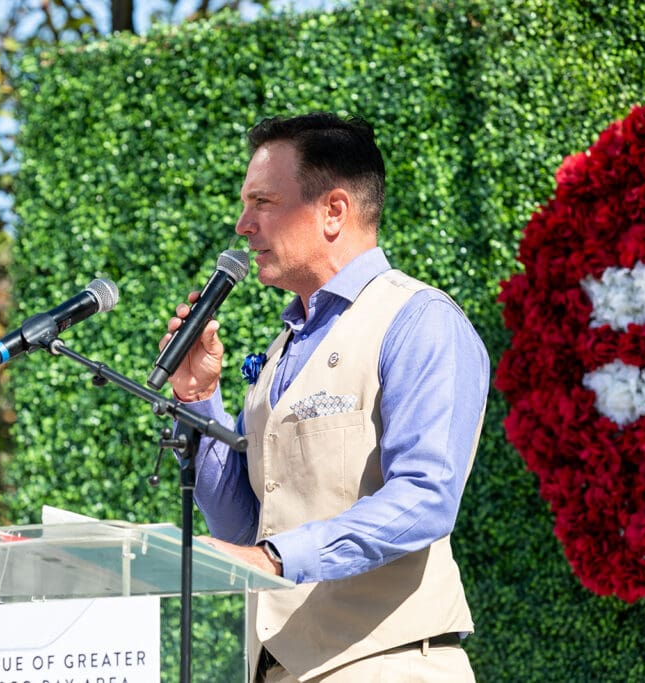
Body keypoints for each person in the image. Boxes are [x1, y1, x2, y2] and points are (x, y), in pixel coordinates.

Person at [158, 112, 489, 682]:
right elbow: (246, 529)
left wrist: (275, 559)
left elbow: (426, 496)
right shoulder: (284, 346)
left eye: (262, 202)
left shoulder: (419, 320)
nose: (242, 225)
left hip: (387, 666)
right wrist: (200, 398)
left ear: (334, 210)